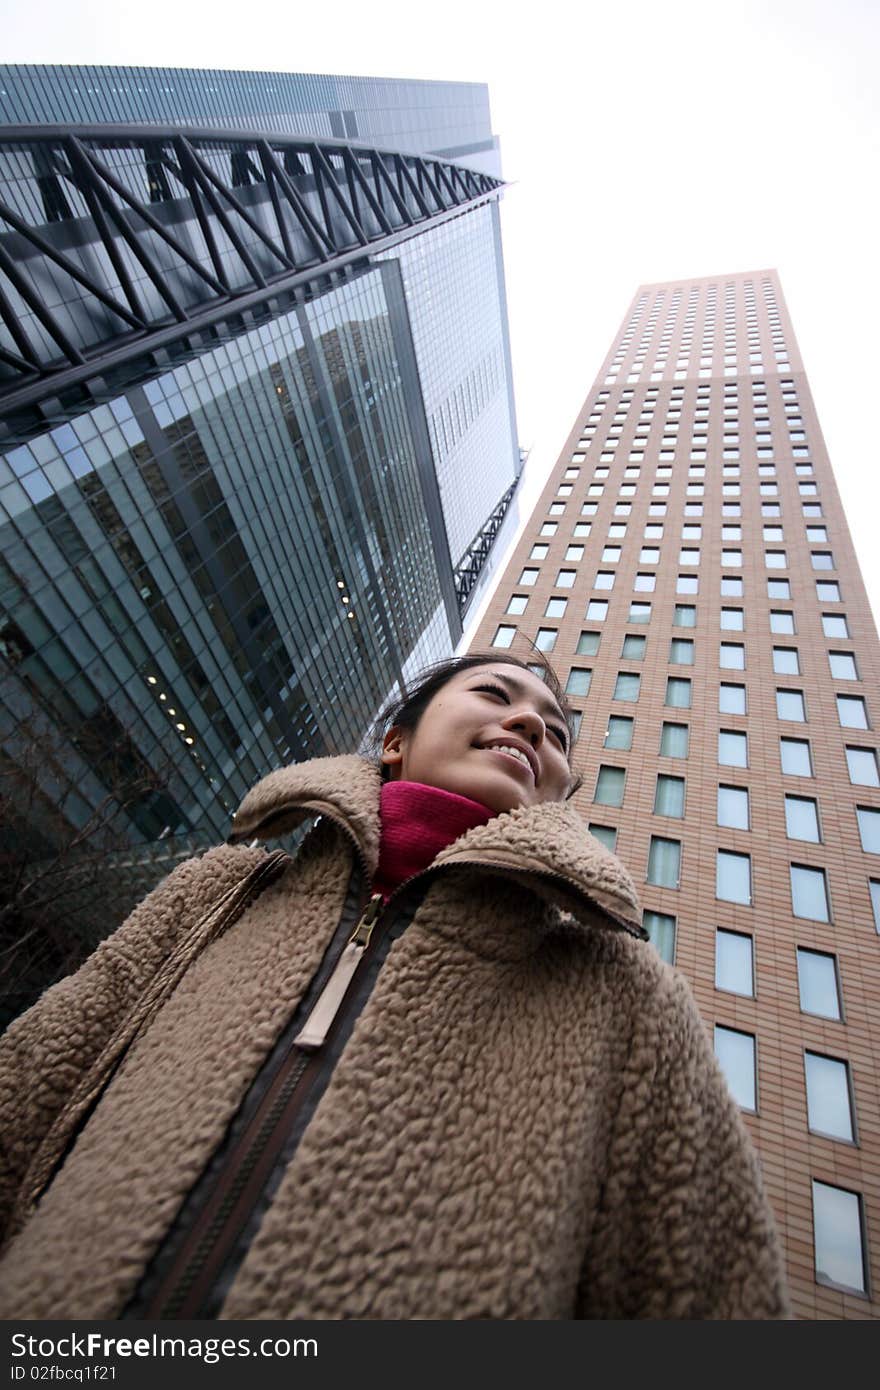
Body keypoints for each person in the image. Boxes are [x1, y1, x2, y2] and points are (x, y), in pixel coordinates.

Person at [0, 653, 790, 1320]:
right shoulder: (223, 889)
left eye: (553, 732)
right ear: (393, 743)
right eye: (493, 694)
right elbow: (28, 1088)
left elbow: (713, 1292)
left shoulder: (622, 992)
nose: (528, 726)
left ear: (553, 794)